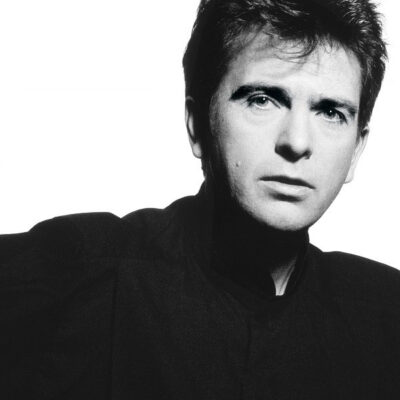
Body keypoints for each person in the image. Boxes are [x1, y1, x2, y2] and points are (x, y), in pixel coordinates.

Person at [1, 0, 399, 398]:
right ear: (197, 125)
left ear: (356, 150)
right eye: (262, 99)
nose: (296, 142)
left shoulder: (385, 314)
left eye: (330, 112)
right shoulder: (80, 271)